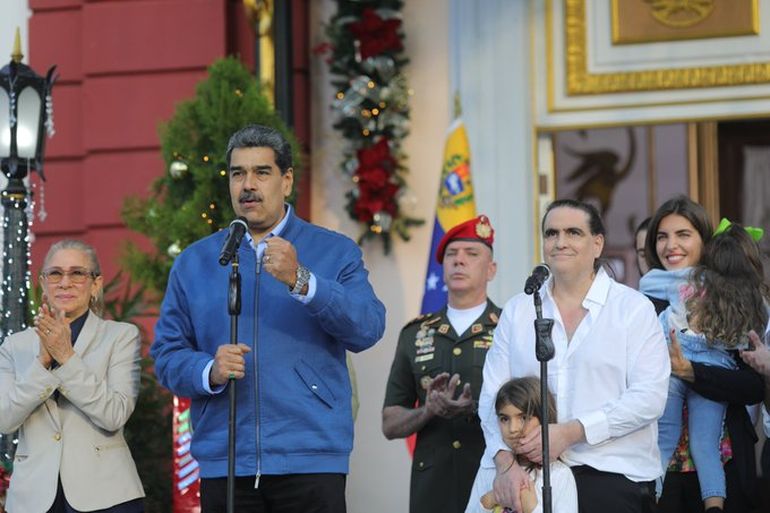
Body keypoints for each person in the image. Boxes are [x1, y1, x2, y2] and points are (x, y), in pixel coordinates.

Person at [150, 124, 386, 512]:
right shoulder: (196, 262)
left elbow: (368, 327)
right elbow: (166, 355)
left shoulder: (333, 251)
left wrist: (302, 280)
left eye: (262, 172)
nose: (247, 185)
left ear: (287, 180)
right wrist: (208, 370)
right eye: (237, 173)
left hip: (311, 459)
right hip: (226, 465)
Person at [478, 199, 669, 513]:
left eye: (573, 232)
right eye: (551, 233)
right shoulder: (518, 310)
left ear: (597, 244)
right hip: (528, 477)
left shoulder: (632, 309)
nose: (560, 242)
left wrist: (572, 432)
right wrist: (504, 463)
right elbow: (490, 396)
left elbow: (649, 397)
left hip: (611, 476)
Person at [0, 240, 145, 513]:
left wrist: (66, 358)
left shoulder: (121, 336)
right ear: (44, 283)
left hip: (107, 494)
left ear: (96, 284)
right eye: (55, 273)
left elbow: (114, 414)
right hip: (32, 498)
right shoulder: (14, 346)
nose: (64, 282)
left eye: (77, 273)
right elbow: (5, 419)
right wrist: (42, 363)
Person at [642, 195, 765, 513]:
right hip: (660, 471)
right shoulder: (640, 302)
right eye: (662, 236)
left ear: (705, 241)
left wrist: (692, 372)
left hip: (725, 466)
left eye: (683, 234)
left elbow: (752, 387)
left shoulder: (728, 297)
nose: (671, 245)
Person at [382, 215, 501, 513]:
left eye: (471, 254)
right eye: (451, 254)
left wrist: (477, 408)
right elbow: (390, 423)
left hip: (491, 479)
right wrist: (429, 410)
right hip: (432, 487)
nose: (459, 261)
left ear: (491, 269)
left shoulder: (509, 328)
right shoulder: (415, 333)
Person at [466, 376, 578, 513]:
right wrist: (489, 501)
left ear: (544, 418)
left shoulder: (559, 475)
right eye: (504, 419)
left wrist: (531, 507)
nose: (513, 429)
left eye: (524, 418)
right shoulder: (489, 468)